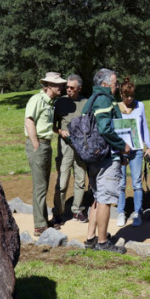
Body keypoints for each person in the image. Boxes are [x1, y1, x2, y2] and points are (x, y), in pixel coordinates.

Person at [84, 68, 130, 253]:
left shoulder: (91, 100)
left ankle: (90, 239)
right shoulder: (104, 99)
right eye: (114, 83)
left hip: (93, 157)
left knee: (97, 197)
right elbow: (104, 129)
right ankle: (103, 242)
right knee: (105, 200)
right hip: (107, 158)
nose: (116, 86)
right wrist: (122, 145)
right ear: (104, 85)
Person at [25, 71, 67, 236]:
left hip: (45, 145)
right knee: (40, 186)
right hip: (39, 145)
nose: (61, 87)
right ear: (49, 85)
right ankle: (39, 225)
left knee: (43, 185)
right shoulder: (37, 100)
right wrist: (36, 144)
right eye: (58, 84)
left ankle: (42, 221)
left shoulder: (50, 103)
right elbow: (29, 120)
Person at [52, 74, 88, 224]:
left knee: (80, 180)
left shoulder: (86, 103)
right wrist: (60, 132)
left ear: (79, 88)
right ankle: (58, 212)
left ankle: (77, 211)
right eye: (67, 87)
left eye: (71, 88)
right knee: (62, 181)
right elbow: (52, 125)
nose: (68, 90)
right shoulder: (59, 102)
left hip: (81, 147)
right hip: (65, 147)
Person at [116, 77, 150, 227]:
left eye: (131, 95)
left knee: (137, 183)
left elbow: (144, 127)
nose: (129, 99)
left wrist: (148, 146)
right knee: (121, 183)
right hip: (121, 150)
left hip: (136, 149)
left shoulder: (140, 106)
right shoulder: (115, 108)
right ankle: (120, 212)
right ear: (121, 95)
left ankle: (138, 212)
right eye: (126, 96)